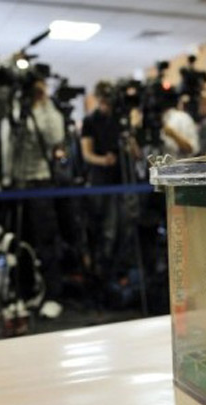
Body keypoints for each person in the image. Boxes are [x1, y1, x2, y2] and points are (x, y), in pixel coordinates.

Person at [6, 78, 66, 319]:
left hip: (40, 181)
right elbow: (7, 143)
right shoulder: (14, 109)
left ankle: (53, 295)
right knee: (20, 242)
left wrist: (44, 101)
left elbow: (55, 137)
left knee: (46, 241)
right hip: (16, 183)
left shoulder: (46, 111)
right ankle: (25, 291)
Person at [81, 81, 122, 284]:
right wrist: (103, 160)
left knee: (115, 228)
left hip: (118, 180)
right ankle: (98, 270)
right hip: (99, 179)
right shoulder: (90, 121)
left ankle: (111, 269)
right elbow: (87, 154)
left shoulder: (117, 119)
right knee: (101, 227)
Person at [162, 92, 199, 158]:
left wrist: (173, 134)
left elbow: (191, 149)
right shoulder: (152, 120)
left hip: (180, 165)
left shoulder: (181, 118)